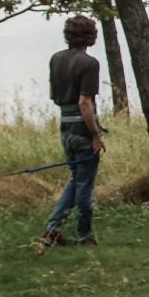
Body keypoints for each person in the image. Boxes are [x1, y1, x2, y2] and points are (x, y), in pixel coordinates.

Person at [39, 14, 105, 247]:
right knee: (85, 185)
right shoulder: (89, 64)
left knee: (77, 179)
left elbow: (54, 95)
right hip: (82, 130)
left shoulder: (56, 59)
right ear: (91, 37)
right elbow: (84, 102)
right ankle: (83, 234)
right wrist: (95, 134)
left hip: (65, 128)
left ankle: (52, 229)